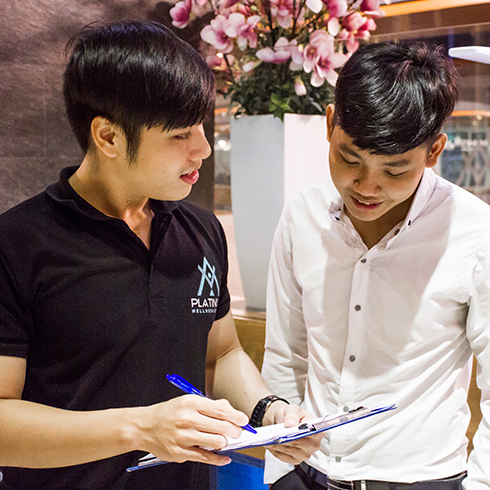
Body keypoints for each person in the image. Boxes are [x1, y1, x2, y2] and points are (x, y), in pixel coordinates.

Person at [0, 20, 322, 490]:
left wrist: (268, 412)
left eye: (201, 126)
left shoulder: (201, 229)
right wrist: (140, 428)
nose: (203, 149)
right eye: (179, 135)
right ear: (108, 137)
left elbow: (220, 354)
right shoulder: (17, 244)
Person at [262, 40, 490, 490]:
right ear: (330, 123)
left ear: (434, 151)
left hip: (420, 480)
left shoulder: (475, 232)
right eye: (349, 159)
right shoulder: (302, 214)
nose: (367, 186)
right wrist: (280, 470)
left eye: (395, 170)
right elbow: (286, 353)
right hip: (305, 474)